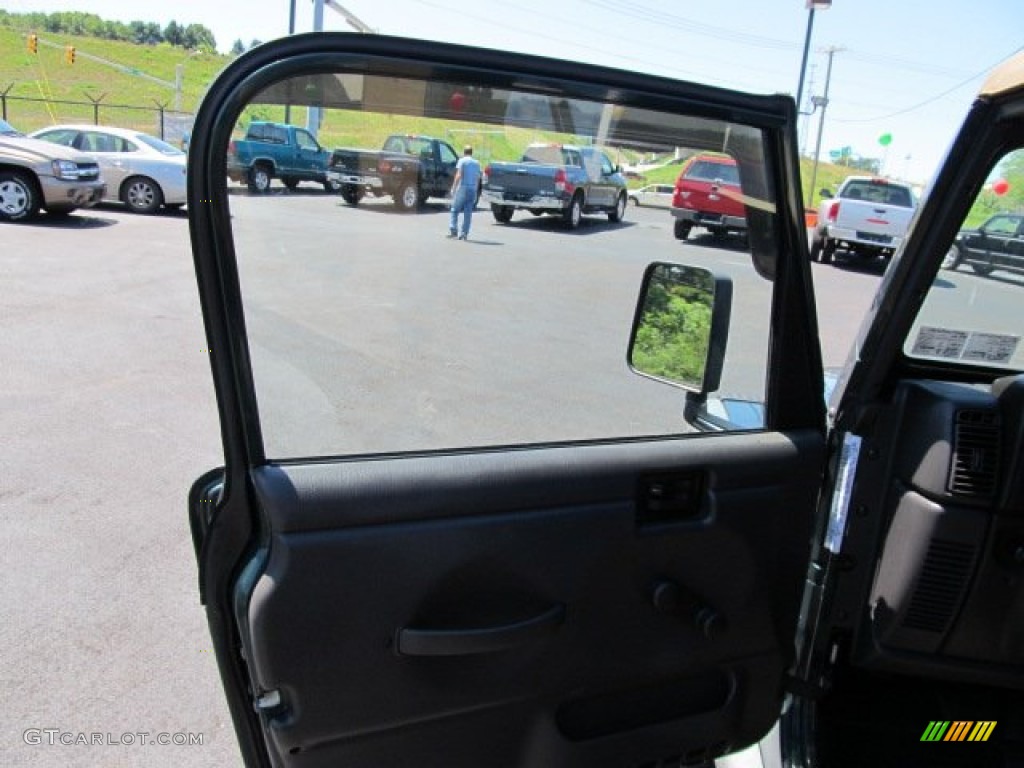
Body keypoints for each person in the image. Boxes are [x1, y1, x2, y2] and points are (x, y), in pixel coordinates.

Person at [448, 145, 481, 241]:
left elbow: (459, 175)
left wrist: (453, 187)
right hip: (472, 188)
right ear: (471, 152)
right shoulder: (476, 163)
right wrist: (476, 190)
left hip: (463, 187)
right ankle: (464, 233)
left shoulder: (462, 161)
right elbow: (477, 178)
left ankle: (453, 230)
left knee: (455, 209)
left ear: (464, 152)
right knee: (468, 212)